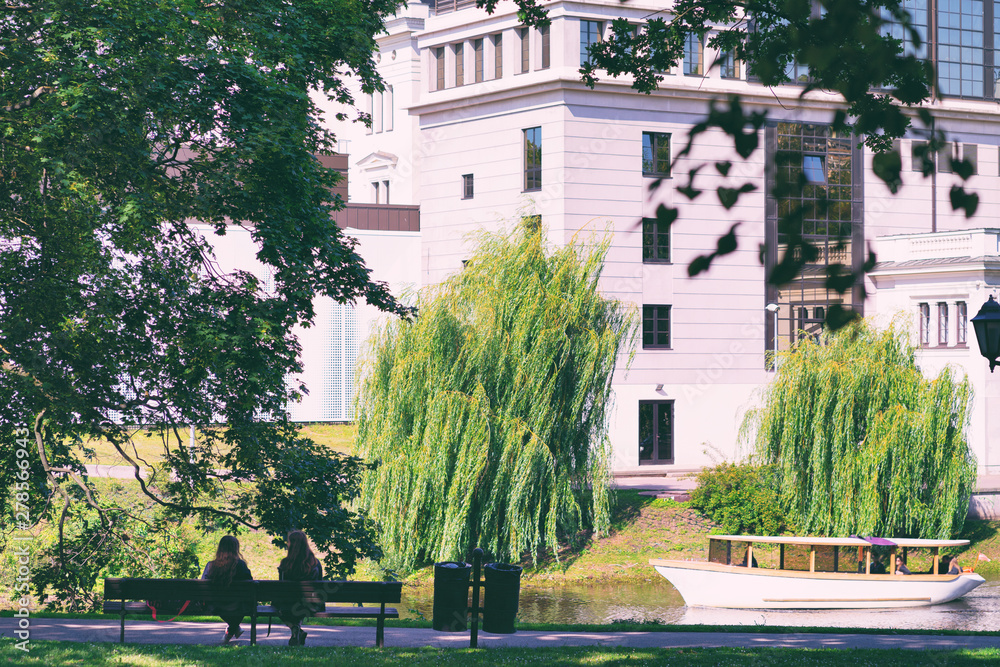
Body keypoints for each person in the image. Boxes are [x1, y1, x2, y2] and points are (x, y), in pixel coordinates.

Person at [202, 535, 253, 644]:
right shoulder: (240, 565)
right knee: (245, 602)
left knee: (216, 601)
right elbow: (250, 585)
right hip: (237, 604)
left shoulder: (211, 566)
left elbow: (203, 585)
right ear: (236, 548)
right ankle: (233, 628)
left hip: (216, 604)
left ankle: (232, 629)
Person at [278, 530, 324, 646]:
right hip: (311, 604)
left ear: (290, 544)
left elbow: (280, 587)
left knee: (279, 604)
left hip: (288, 604)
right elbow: (320, 585)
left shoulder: (285, 563)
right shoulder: (315, 563)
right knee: (300, 603)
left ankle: (294, 628)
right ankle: (297, 628)